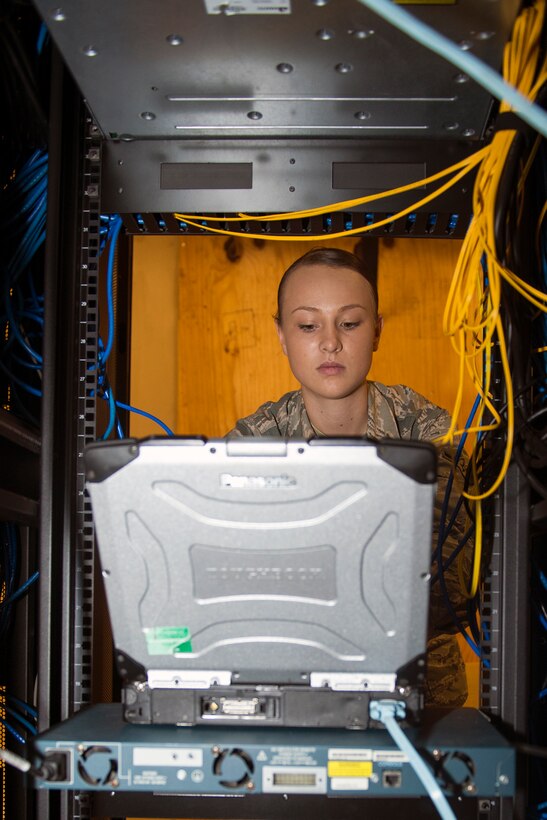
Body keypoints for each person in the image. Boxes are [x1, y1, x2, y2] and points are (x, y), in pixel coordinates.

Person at [226, 246, 471, 707]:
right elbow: (240, 595)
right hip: (289, 685)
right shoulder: (252, 444)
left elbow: (448, 591)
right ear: (281, 335)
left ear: (376, 330)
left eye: (350, 323)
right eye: (307, 325)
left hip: (419, 692)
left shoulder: (431, 433)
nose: (330, 342)